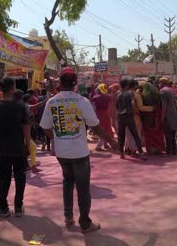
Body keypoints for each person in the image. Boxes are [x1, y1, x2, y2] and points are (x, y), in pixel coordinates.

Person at [40, 69, 118, 233]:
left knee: (67, 182)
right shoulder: (82, 101)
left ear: (59, 83)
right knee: (83, 188)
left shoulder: (51, 102)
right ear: (75, 83)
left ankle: (68, 217)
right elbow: (95, 127)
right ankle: (85, 223)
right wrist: (111, 140)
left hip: (62, 153)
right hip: (79, 153)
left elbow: (46, 128)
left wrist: (59, 138)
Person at [0, 78, 30, 218]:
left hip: (4, 148)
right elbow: (26, 127)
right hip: (19, 148)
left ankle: (3, 208)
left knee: (3, 179)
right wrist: (27, 145)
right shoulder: (21, 106)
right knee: (20, 178)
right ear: (13, 88)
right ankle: (18, 207)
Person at [116, 79, 146, 160]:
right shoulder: (130, 94)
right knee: (135, 135)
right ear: (127, 86)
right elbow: (133, 104)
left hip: (120, 117)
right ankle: (141, 153)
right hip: (129, 116)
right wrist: (133, 112)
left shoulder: (118, 95)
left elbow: (117, 107)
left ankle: (121, 153)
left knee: (121, 136)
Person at [138, 82, 165, 155]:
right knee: (157, 132)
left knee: (148, 133)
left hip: (147, 116)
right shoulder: (157, 94)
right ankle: (158, 148)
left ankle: (151, 150)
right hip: (157, 115)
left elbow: (141, 107)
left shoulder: (143, 96)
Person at [159, 78, 177, 155]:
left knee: (168, 133)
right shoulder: (171, 90)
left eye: (160, 83)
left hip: (167, 115)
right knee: (173, 133)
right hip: (174, 114)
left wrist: (162, 116)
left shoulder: (162, 91)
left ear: (162, 83)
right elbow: (175, 103)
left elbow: (164, 104)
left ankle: (168, 151)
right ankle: (174, 151)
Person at [92, 84, 113, 151]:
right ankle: (99, 146)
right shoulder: (108, 97)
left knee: (102, 129)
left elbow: (93, 106)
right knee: (105, 129)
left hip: (97, 114)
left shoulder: (95, 97)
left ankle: (105, 144)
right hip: (106, 114)